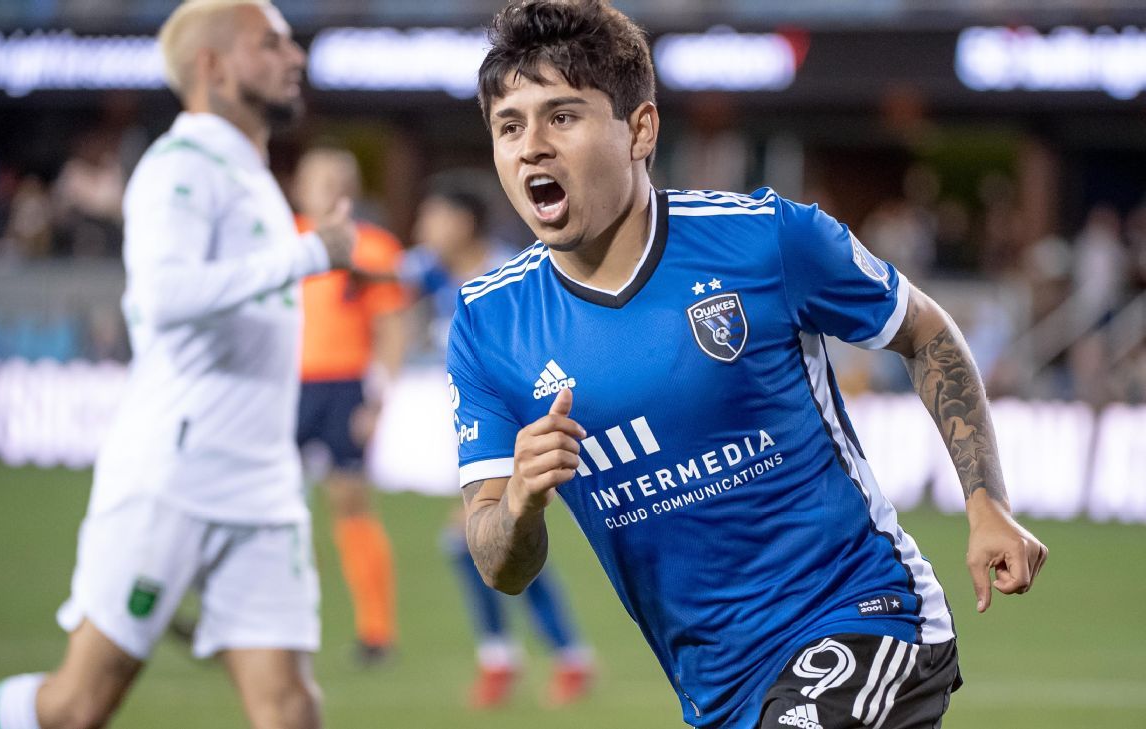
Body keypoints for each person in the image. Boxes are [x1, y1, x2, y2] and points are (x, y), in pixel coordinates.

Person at [450, 3, 1049, 729]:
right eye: (509, 126)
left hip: (865, 616)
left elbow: (925, 333)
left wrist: (987, 505)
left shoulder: (765, 240)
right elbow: (499, 566)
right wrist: (519, 500)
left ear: (640, 129)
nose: (532, 148)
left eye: (562, 117)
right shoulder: (488, 324)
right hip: (722, 693)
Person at [0, 2, 353, 728]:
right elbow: (164, 298)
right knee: (77, 705)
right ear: (213, 67)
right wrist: (308, 254)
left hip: (262, 487)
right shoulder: (180, 167)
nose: (294, 57)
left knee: (290, 708)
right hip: (175, 477)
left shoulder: (250, 174)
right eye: (270, 44)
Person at [402, 182, 593, 706]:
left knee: (483, 536)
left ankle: (525, 658)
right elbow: (384, 278)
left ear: (464, 223)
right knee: (489, 539)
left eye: (433, 216)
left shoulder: (509, 277)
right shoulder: (434, 272)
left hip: (521, 425)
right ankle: (550, 658)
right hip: (474, 424)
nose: (422, 229)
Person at [292, 146, 405, 666]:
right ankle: (272, 621)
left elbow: (391, 327)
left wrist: (377, 399)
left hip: (344, 387)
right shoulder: (280, 240)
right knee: (269, 504)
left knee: (351, 503)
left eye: (341, 179)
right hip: (285, 386)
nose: (331, 188)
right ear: (300, 187)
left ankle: (376, 631)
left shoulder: (375, 248)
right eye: (321, 178)